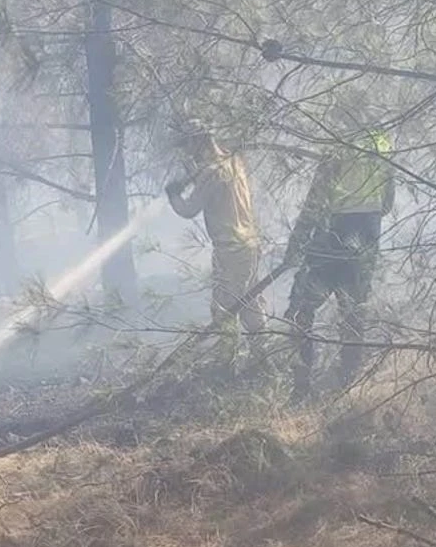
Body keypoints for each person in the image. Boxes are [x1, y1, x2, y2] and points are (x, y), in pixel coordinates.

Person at [282, 123, 394, 403]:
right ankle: (349, 385)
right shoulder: (382, 142)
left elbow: (315, 200)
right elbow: (387, 203)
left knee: (299, 311)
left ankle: (301, 388)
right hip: (368, 236)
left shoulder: (337, 141)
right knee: (354, 314)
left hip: (331, 237)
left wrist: (295, 244)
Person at [165, 126, 267, 351]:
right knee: (250, 303)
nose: (186, 152)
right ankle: (262, 360)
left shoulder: (211, 171)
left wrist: (173, 195)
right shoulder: (233, 161)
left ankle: (227, 364)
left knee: (224, 309)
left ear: (197, 143)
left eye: (187, 145)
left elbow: (189, 209)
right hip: (249, 243)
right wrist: (194, 175)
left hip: (230, 248)